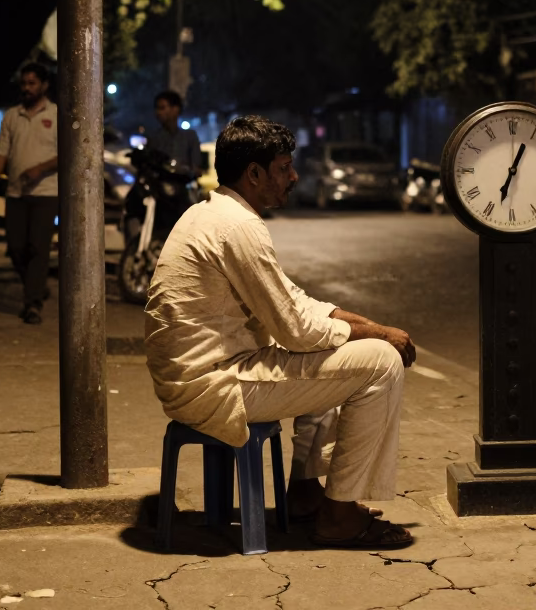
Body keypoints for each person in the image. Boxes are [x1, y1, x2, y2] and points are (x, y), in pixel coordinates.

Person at [144, 115, 416, 548]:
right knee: (378, 366)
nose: (293, 177)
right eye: (284, 167)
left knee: (336, 354)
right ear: (254, 173)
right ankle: (340, 515)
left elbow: (292, 301)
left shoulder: (213, 213)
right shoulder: (238, 227)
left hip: (200, 376)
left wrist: (368, 327)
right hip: (214, 385)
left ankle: (307, 492)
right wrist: (379, 337)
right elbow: (296, 329)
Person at [0, 64, 59, 324]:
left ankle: (32, 303)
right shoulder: (11, 116)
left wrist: (41, 168)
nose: (26, 88)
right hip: (16, 193)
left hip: (46, 194)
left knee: (38, 247)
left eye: (32, 83)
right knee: (15, 248)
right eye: (24, 83)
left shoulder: (57, 114)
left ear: (44, 85)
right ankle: (36, 285)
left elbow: (68, 153)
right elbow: (1, 153)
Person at [148, 90, 202, 173]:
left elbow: (196, 166)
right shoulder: (154, 137)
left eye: (162, 108)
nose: (158, 112)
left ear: (175, 109)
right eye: (157, 108)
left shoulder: (190, 136)